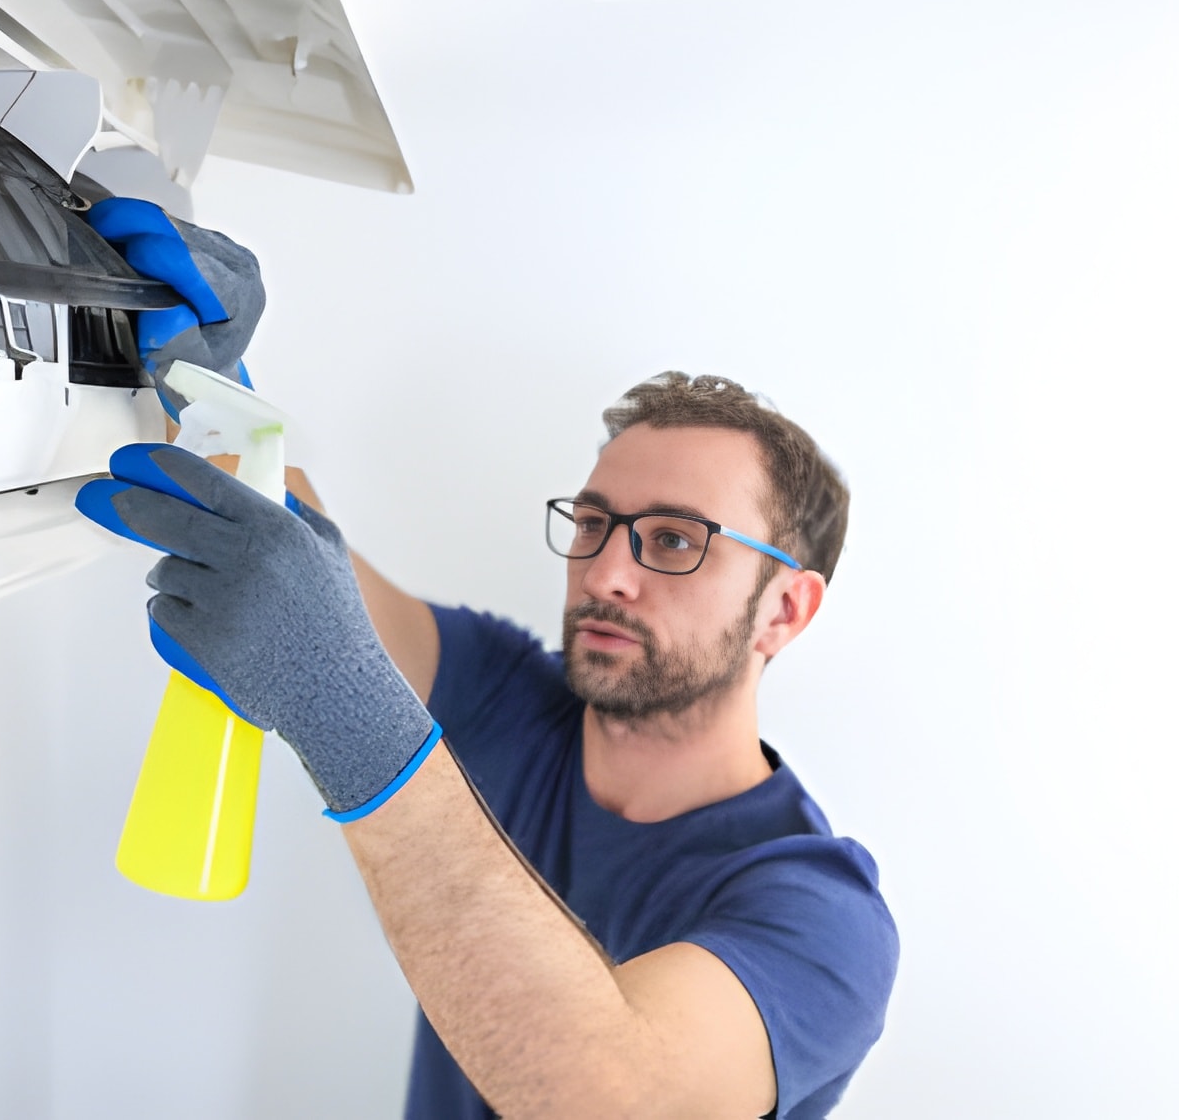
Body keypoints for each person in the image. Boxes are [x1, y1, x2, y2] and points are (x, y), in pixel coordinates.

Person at [78, 201, 898, 1119]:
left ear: (785, 609)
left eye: (674, 540)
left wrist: (347, 713)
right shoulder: (508, 691)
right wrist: (216, 384)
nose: (608, 572)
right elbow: (301, 568)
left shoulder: (821, 915)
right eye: (595, 523)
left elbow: (606, 1097)